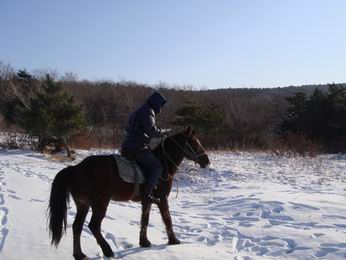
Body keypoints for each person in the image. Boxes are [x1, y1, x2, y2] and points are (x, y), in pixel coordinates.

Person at [121, 91, 171, 203]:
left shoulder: (141, 109)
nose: (160, 109)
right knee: (157, 166)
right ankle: (147, 194)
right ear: (156, 103)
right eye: (160, 105)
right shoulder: (148, 111)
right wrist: (165, 132)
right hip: (137, 147)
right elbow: (152, 131)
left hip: (128, 144)